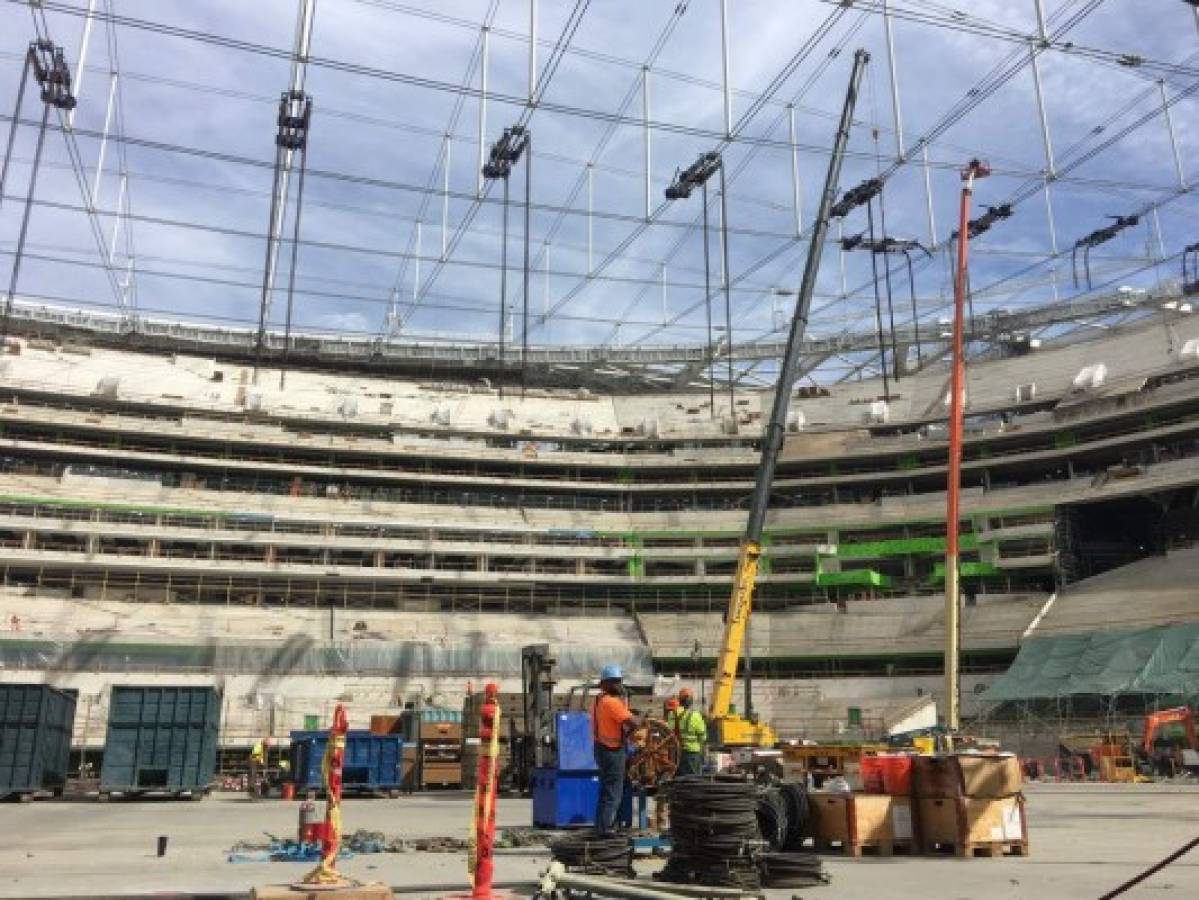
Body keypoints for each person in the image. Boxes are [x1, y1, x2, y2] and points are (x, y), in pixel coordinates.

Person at [592, 663, 637, 835]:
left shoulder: (599, 700)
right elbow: (633, 723)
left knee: (605, 790)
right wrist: (642, 717)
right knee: (613, 792)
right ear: (606, 684)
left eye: (620, 681)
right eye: (616, 682)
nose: (620, 685)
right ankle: (607, 828)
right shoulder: (612, 703)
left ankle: (601, 826)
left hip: (601, 749)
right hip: (613, 751)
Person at [672, 688, 707, 777]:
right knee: (692, 781)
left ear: (679, 700)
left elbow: (668, 732)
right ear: (691, 700)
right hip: (692, 754)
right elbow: (703, 737)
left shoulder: (672, 714)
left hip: (675, 753)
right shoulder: (695, 715)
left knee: (677, 780)